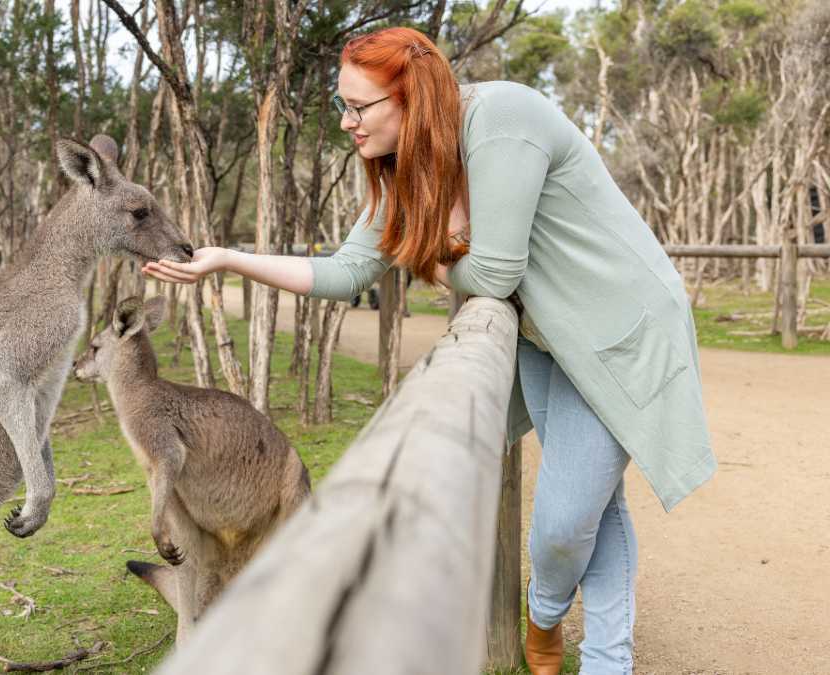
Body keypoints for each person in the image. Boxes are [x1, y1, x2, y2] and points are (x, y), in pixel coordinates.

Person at [142, 26, 714, 675]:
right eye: (342, 105)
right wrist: (229, 260)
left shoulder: (502, 119)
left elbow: (494, 275)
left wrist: (436, 262)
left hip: (618, 326)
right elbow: (349, 269)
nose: (346, 123)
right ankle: (594, 651)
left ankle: (550, 615)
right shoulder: (401, 167)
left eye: (359, 107)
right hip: (547, 337)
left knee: (565, 519)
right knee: (587, 508)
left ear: (410, 96)